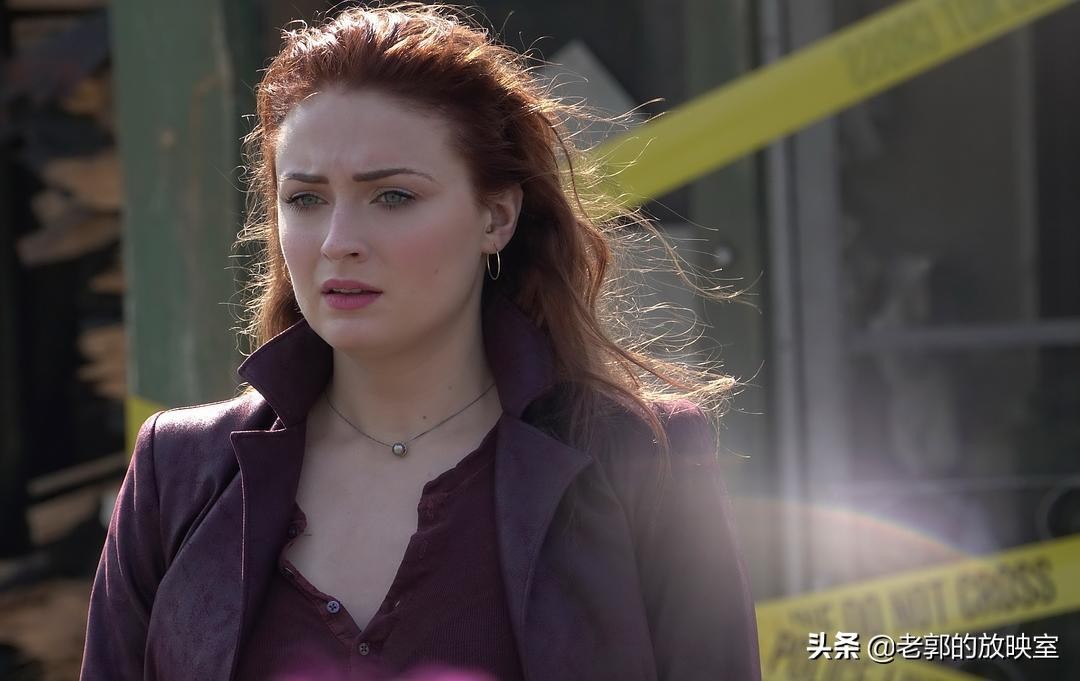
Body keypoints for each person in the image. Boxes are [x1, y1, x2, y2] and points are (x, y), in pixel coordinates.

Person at [79, 3, 761, 680]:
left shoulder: (639, 456)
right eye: (306, 199)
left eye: (393, 197)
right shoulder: (180, 470)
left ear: (496, 216)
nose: (339, 242)